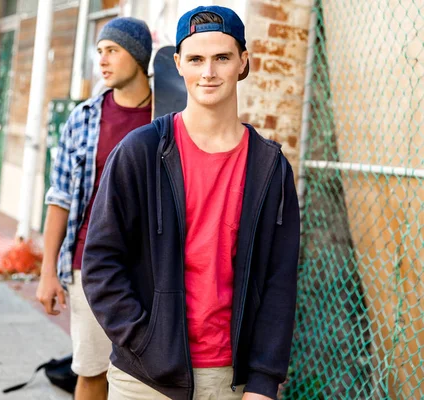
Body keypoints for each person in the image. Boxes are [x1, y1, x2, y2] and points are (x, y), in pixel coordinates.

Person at [82, 6, 300, 400]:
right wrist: (145, 342)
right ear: (178, 64)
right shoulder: (140, 152)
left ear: (243, 63)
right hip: (145, 379)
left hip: (230, 379)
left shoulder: (270, 168)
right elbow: (100, 262)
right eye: (196, 59)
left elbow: (279, 281)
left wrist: (265, 380)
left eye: (222, 58)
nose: (208, 72)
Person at [36, 16, 154, 400]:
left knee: (147, 374)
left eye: (113, 51)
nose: (102, 60)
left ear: (138, 56)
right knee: (92, 370)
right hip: (91, 262)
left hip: (153, 265)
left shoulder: (170, 117)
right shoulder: (83, 119)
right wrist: (48, 272)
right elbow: (60, 198)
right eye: (99, 51)